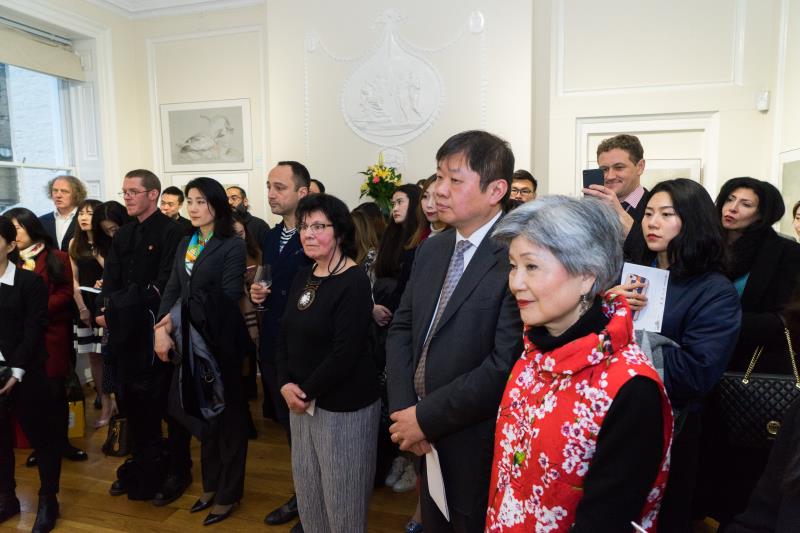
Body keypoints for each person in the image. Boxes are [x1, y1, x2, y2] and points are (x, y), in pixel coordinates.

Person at [485, 196, 673, 532]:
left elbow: (606, 519)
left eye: (531, 267)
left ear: (587, 276)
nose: (515, 283)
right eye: (513, 266)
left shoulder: (630, 388)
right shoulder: (531, 352)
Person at [386, 130, 524, 532]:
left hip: (475, 435)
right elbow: (402, 327)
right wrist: (405, 411)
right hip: (419, 430)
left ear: (496, 190)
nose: (438, 190)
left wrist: (426, 417)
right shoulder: (432, 248)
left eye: (454, 180)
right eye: (438, 176)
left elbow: (504, 363)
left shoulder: (518, 255)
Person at [611, 178, 741, 532]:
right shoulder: (631, 275)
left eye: (666, 214)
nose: (652, 222)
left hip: (671, 429)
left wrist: (627, 344)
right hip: (613, 421)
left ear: (693, 221)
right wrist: (607, 308)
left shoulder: (714, 290)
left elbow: (697, 372)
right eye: (649, 213)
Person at [266, 193, 379, 533]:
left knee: (343, 504)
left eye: (319, 226)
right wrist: (284, 383)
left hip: (343, 407)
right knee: (309, 495)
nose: (308, 234)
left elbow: (345, 353)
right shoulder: (304, 275)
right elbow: (284, 334)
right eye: (304, 227)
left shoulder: (354, 280)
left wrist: (303, 392)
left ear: (339, 232)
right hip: (301, 402)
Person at [698, 177, 800, 523]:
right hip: (704, 362)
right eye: (730, 199)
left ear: (762, 213)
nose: (732, 208)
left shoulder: (784, 252)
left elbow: (783, 319)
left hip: (749, 366)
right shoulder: (706, 246)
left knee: (742, 459)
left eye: (745, 204)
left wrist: (721, 321)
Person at [154, 177, 250, 526]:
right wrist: (160, 327)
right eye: (190, 201)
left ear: (216, 205)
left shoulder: (231, 244)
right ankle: (210, 485)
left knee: (229, 419)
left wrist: (175, 318)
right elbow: (173, 287)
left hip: (220, 341)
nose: (193, 208)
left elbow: (226, 296)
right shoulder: (187, 242)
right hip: (188, 342)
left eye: (200, 201)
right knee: (196, 410)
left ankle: (229, 493)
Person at [97, 169, 191, 505]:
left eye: (133, 191)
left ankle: (177, 469)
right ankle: (142, 464)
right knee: (132, 401)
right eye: (124, 192)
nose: (127, 197)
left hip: (158, 328)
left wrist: (120, 305)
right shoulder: (124, 234)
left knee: (165, 405)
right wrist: (107, 307)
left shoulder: (174, 231)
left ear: (153, 194)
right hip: (124, 330)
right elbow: (112, 277)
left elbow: (166, 284)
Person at [251, 161, 311, 529]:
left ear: (302, 192)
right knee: (290, 430)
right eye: (269, 186)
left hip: (305, 346)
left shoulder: (316, 235)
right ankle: (302, 495)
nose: (271, 194)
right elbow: (268, 282)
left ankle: (314, 502)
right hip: (274, 342)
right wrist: (257, 293)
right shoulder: (273, 237)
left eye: (280, 187)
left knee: (309, 432)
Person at [5, 208, 89, 467]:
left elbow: (65, 293)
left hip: (52, 334)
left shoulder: (56, 257)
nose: (14, 234)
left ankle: (61, 443)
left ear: (31, 228)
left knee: (55, 392)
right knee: (29, 395)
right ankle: (40, 445)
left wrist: (36, 308)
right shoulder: (9, 261)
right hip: (20, 338)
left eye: (18, 228)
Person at [0, 215, 63, 533]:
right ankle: (6, 498)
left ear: (10, 246)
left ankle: (48, 499)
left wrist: (16, 370)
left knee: (43, 437)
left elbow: (34, 329)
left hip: (26, 370)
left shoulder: (28, 282)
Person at [373, 183, 425, 494]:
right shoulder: (390, 239)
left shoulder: (422, 243)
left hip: (405, 324)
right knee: (386, 398)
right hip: (384, 326)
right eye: (392, 202)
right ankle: (395, 457)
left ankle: (408, 461)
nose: (394, 208)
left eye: (400, 201)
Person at [68, 199, 113, 428]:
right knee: (94, 358)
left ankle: (119, 402)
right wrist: (82, 308)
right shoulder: (74, 242)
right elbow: (73, 279)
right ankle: (105, 404)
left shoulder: (109, 240)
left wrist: (97, 255)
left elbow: (115, 272)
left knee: (111, 355)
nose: (84, 218)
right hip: (84, 304)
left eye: (89, 213)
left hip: (107, 305)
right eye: (80, 213)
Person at [583, 134, 648, 261]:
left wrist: (620, 213)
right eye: (604, 169)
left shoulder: (658, 208)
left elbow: (655, 258)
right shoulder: (592, 209)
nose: (610, 176)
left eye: (619, 167)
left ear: (640, 167)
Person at [39, 175, 87, 252]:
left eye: (64, 191)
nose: (58, 195)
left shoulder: (87, 218)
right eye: (55, 190)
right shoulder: (41, 221)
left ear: (76, 195)